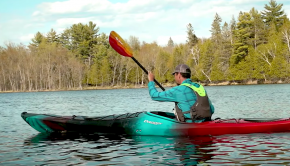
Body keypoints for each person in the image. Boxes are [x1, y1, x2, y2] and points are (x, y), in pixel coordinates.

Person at [148, 64, 214, 122]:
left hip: (191, 123)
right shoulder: (199, 86)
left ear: (179, 75)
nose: (174, 77)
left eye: (175, 75)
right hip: (206, 120)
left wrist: (151, 81)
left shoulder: (178, 90)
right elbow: (212, 109)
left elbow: (154, 95)